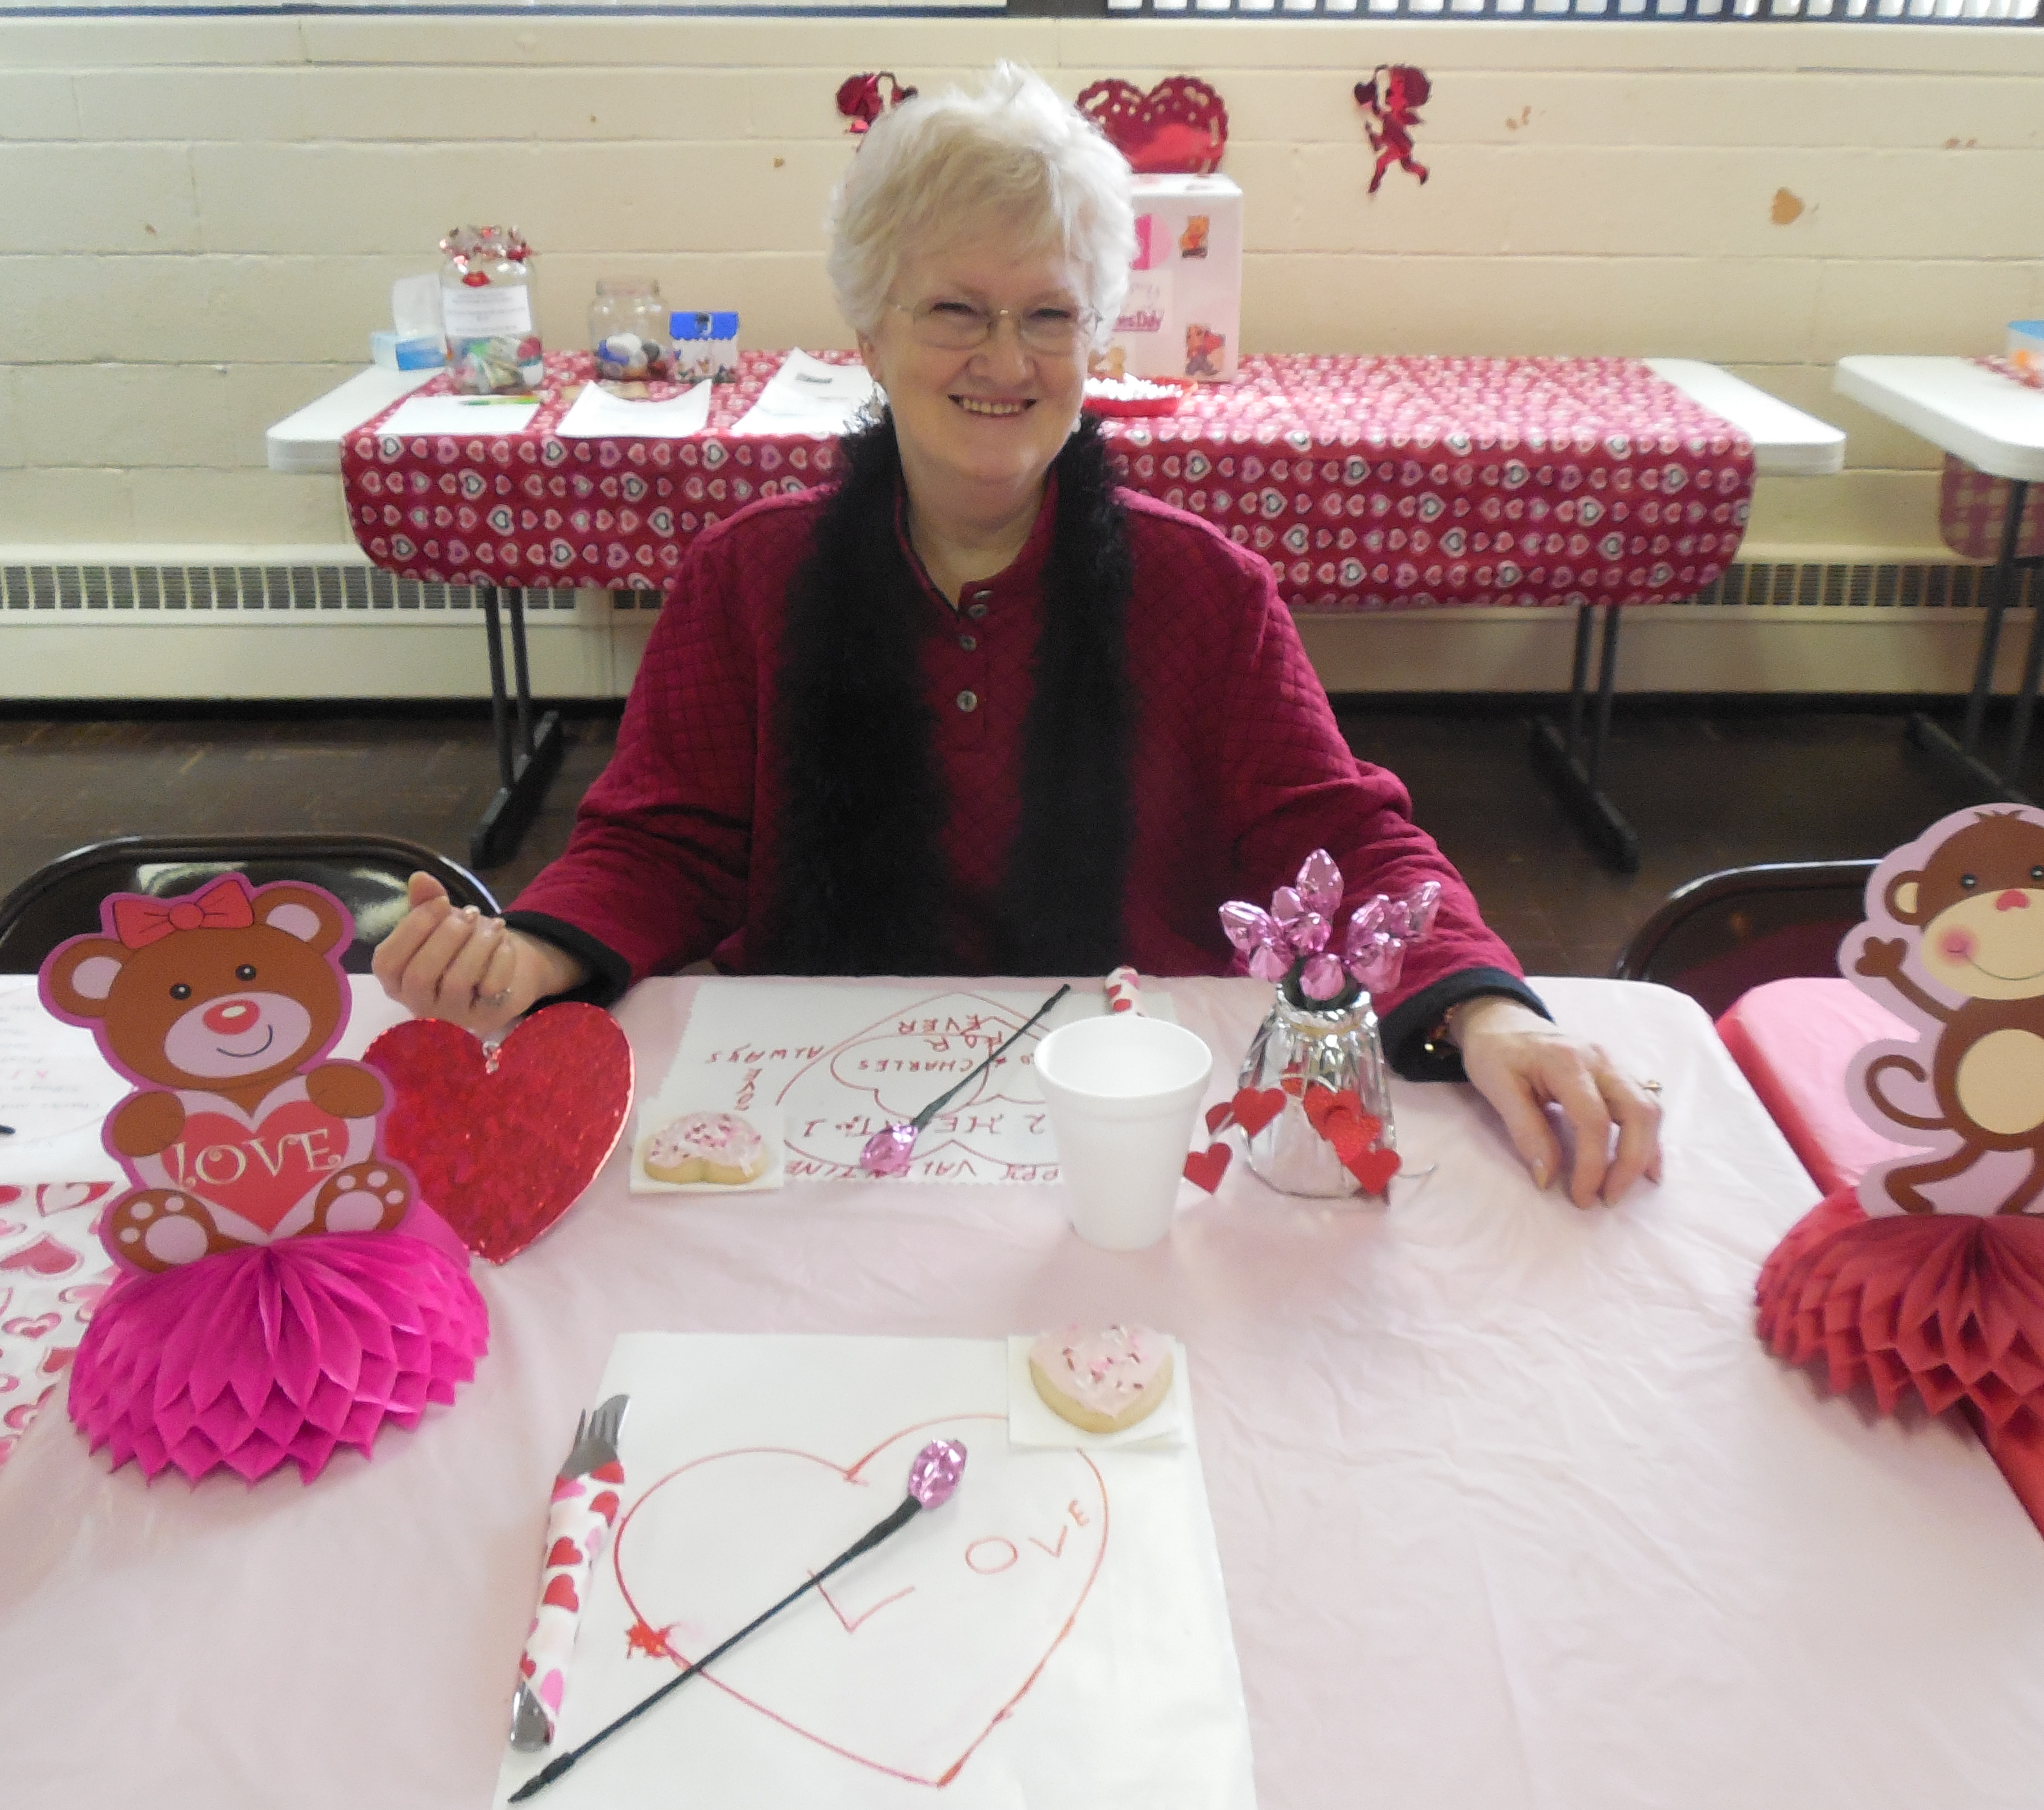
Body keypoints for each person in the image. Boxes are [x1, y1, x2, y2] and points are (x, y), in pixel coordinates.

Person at [377, 66, 1660, 1207]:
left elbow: (1341, 838)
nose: (1006, 358)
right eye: (955, 310)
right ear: (870, 334)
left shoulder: (1202, 589)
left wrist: (1486, 1007)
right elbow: (666, 841)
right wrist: (529, 952)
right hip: (813, 1139)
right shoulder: (747, 577)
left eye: (1049, 314)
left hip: (1121, 1129)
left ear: (1094, 336)